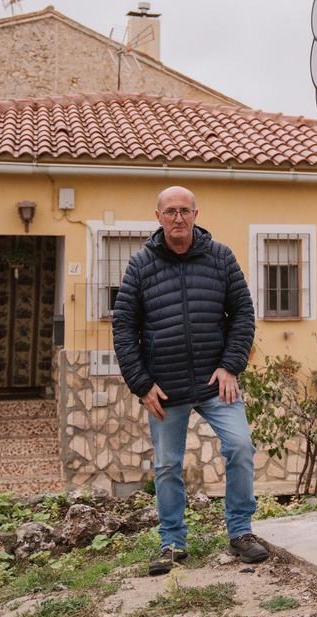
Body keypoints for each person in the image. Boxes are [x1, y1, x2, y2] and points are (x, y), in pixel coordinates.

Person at [112, 185, 267, 576]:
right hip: (166, 387)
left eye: (184, 210)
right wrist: (141, 383)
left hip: (218, 382)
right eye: (170, 212)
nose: (177, 217)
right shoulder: (141, 265)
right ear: (158, 217)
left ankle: (241, 533)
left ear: (196, 214)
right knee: (167, 465)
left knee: (240, 447)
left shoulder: (220, 258)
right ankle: (172, 542)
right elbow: (123, 327)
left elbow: (244, 314)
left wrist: (231, 365)